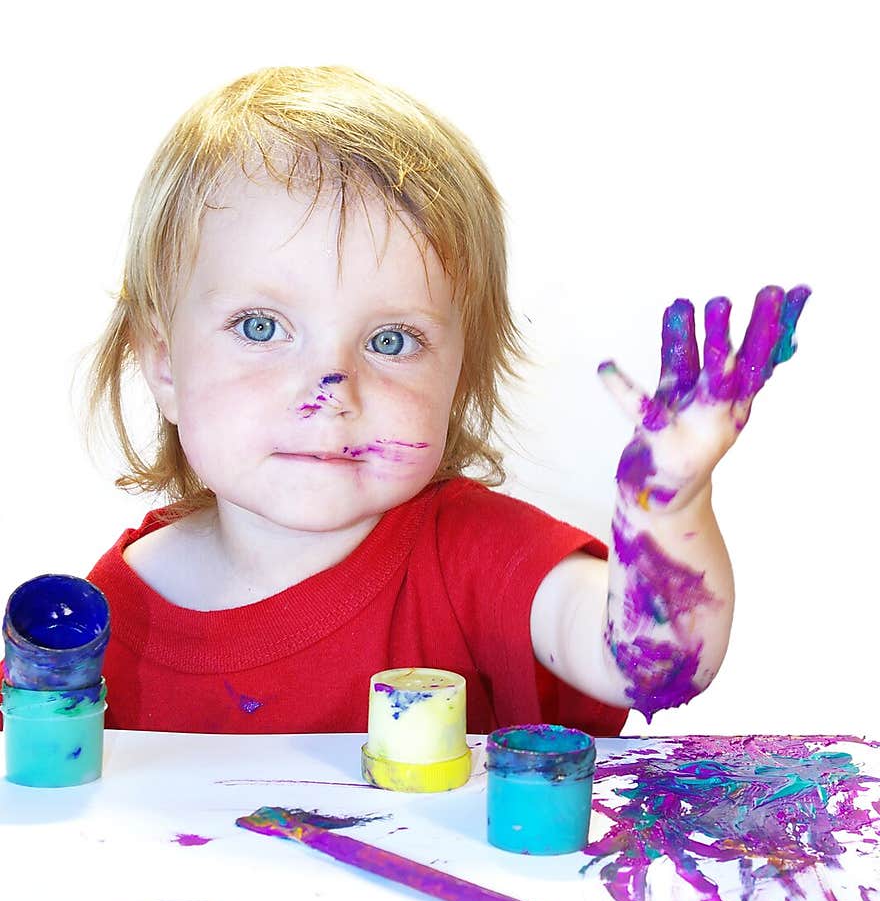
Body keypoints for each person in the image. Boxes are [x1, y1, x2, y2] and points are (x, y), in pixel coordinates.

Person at [83, 65, 809, 735]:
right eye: (261, 327)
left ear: (457, 378)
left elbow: (649, 663)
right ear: (164, 365)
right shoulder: (101, 619)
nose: (331, 390)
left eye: (392, 340)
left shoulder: (477, 559)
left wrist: (669, 511)